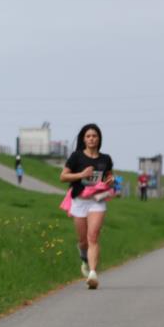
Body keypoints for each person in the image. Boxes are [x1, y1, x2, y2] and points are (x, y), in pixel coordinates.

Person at [61, 123, 114, 289]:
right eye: (88, 136)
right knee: (83, 241)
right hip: (79, 201)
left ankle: (92, 274)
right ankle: (84, 259)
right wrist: (82, 174)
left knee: (93, 237)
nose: (91, 139)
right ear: (84, 139)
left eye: (94, 136)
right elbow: (63, 177)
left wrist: (110, 180)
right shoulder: (76, 157)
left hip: (97, 201)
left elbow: (109, 177)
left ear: (99, 139)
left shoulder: (105, 159)